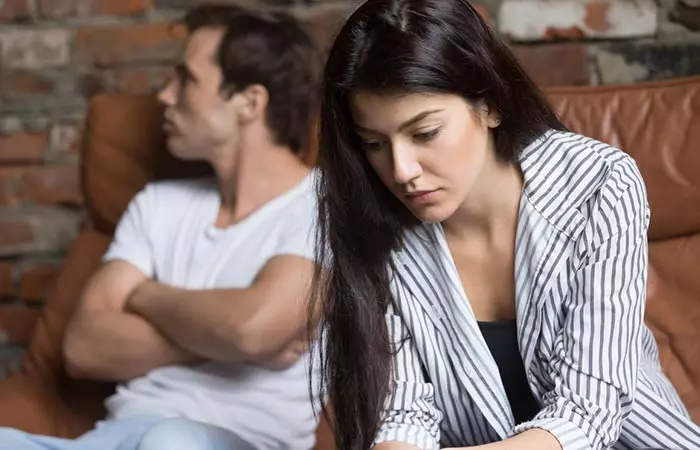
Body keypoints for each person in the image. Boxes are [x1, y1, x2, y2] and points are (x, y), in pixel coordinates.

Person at [309, 0, 700, 449]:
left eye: (425, 133)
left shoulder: (598, 183)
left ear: (491, 104)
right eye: (374, 143)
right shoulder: (374, 222)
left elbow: (588, 415)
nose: (401, 170)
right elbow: (403, 416)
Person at [0, 4, 323, 450]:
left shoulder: (323, 206)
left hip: (224, 442)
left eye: (186, 79)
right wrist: (226, 340)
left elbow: (253, 328)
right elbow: (82, 347)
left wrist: (144, 295)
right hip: (112, 439)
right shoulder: (158, 203)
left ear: (250, 102)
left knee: (170, 440)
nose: (166, 97)